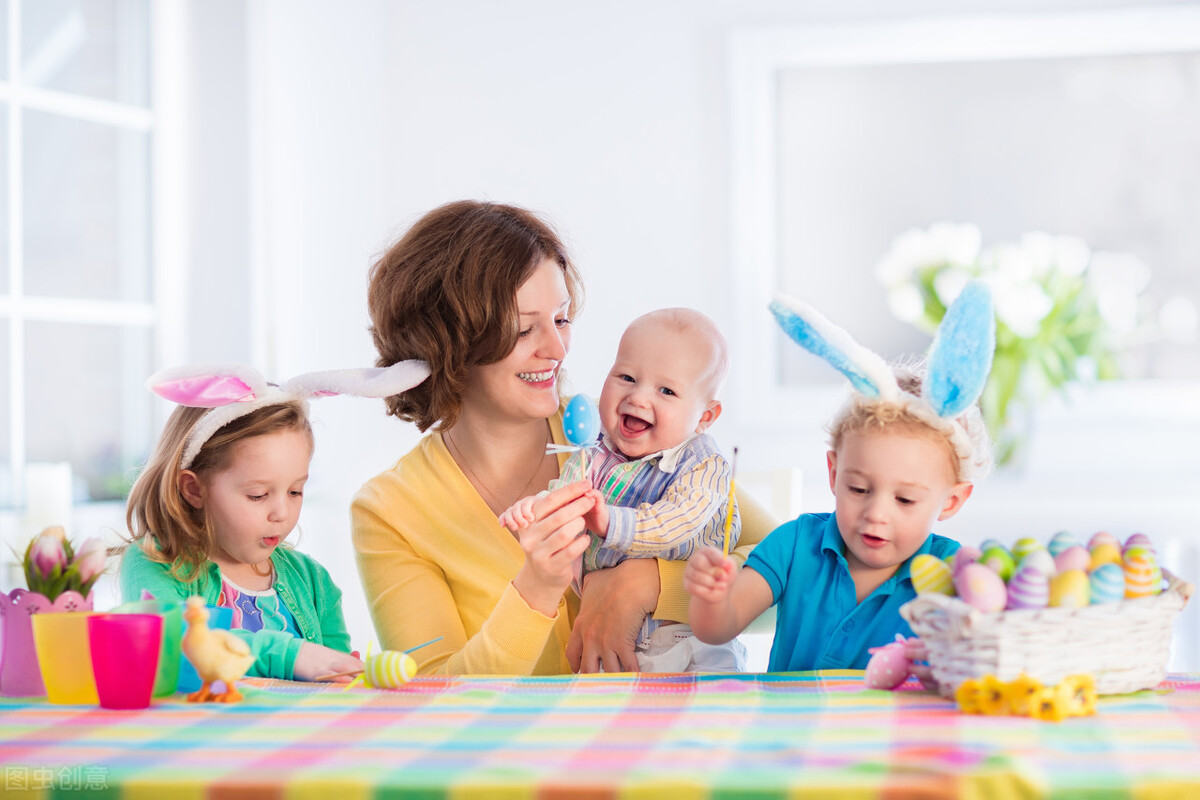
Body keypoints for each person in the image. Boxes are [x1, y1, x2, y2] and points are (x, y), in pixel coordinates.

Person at [351, 200, 777, 675]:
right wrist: (535, 590)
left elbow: (799, 577)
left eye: (561, 318)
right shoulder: (390, 511)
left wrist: (646, 585)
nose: (557, 349)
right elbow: (433, 696)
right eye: (523, 329)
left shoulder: (626, 435)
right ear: (448, 343)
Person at [685, 282, 996, 673]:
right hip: (792, 715)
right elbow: (718, 628)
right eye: (859, 488)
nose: (876, 513)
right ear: (834, 472)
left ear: (951, 500)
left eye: (904, 499)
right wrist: (712, 598)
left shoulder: (954, 575)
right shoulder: (795, 544)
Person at [119, 362, 429, 682]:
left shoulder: (312, 581)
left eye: (295, 491)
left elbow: (333, 677)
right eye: (258, 495)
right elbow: (170, 644)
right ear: (195, 489)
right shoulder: (155, 562)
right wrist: (291, 655)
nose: (282, 512)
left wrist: (343, 670)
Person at [499, 308, 743, 672]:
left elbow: (676, 521)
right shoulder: (593, 451)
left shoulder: (703, 465)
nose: (638, 398)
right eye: (627, 377)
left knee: (714, 705)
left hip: (690, 638)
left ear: (704, 417)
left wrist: (611, 523)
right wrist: (535, 509)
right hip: (608, 643)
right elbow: (566, 496)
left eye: (666, 390)